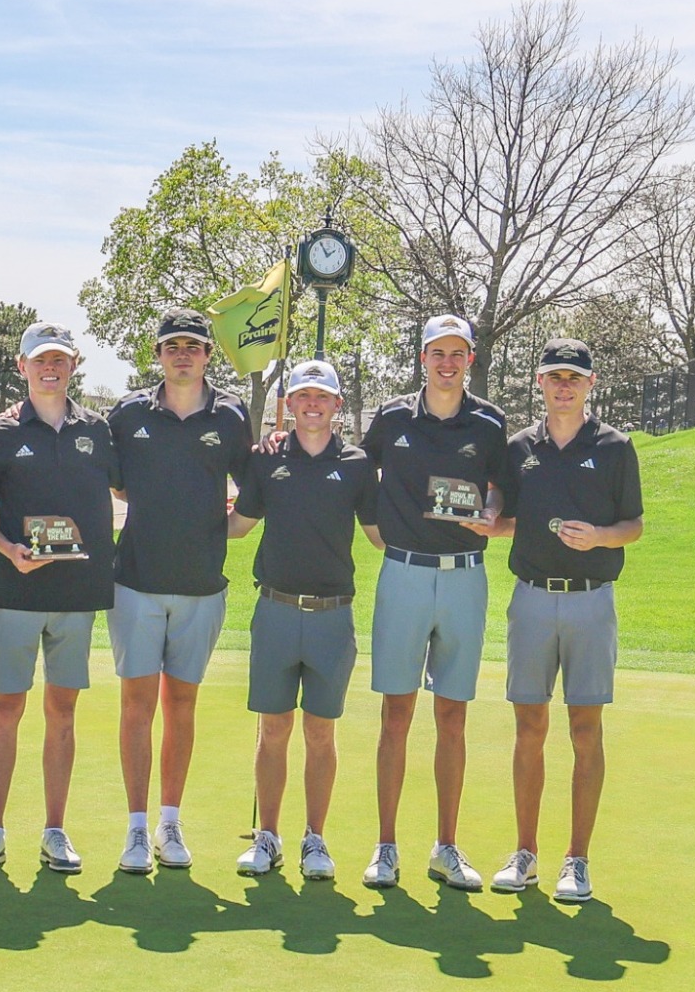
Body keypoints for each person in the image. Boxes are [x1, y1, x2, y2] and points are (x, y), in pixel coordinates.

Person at [485, 339, 643, 903]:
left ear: (590, 384)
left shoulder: (616, 447)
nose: (564, 386)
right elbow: (509, 515)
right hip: (531, 597)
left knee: (585, 728)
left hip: (591, 601)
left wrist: (600, 536)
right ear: (540, 382)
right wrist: (486, 520)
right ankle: (525, 854)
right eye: (555, 377)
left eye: (574, 378)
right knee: (529, 726)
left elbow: (634, 525)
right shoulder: (521, 447)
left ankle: (576, 860)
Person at [0, 322, 118, 875]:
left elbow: (127, 488)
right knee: (8, 707)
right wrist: (6, 548)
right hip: (16, 590)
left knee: (63, 710)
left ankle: (55, 830)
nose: (49, 368)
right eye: (39, 360)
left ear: (74, 364)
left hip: (78, 593)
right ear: (22, 366)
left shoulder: (98, 430)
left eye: (59, 359)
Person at [358, 314, 508, 891]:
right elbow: (356, 471)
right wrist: (377, 531)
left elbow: (499, 486)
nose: (447, 363)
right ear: (422, 358)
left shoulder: (490, 422)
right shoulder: (393, 417)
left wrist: (492, 509)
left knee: (453, 714)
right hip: (404, 575)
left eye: (457, 354)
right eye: (437, 353)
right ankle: (386, 847)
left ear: (470, 359)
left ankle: (446, 846)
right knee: (396, 713)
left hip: (466, 577)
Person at [104, 307, 250, 873]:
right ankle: (137, 829)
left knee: (181, 704)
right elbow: (115, 477)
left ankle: (170, 822)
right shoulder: (128, 414)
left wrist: (229, 526)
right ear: (159, 355)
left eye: (193, 345)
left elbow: (252, 487)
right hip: (136, 581)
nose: (182, 354)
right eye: (172, 346)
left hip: (201, 585)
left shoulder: (233, 416)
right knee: (137, 705)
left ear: (208, 354)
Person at [226, 361, 378, 877]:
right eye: (302, 396)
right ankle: (268, 837)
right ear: (287, 405)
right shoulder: (267, 462)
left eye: (323, 397)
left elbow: (380, 533)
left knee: (319, 732)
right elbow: (238, 527)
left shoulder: (357, 464)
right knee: (273, 728)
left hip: (333, 617)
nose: (313, 405)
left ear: (337, 405)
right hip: (275, 609)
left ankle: (315, 839)